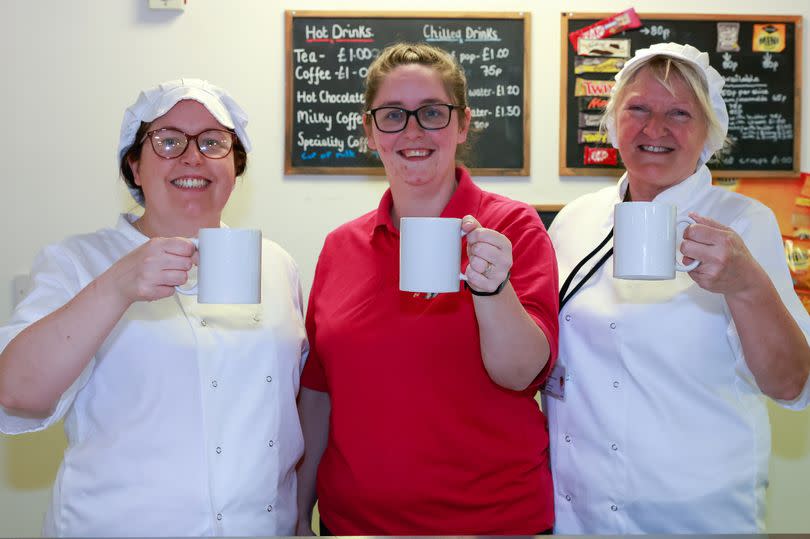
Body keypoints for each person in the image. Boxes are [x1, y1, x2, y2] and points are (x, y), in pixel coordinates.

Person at [0, 79, 308, 537]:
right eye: (167, 141)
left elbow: (291, 412)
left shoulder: (277, 264)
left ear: (235, 165)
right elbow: (17, 393)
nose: (192, 156)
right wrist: (117, 286)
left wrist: (300, 519)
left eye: (213, 142)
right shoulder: (78, 262)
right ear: (135, 167)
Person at [295, 43, 559, 536]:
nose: (413, 131)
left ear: (462, 125)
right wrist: (296, 513)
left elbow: (522, 374)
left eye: (432, 113)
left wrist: (492, 288)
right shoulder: (341, 246)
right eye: (393, 115)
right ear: (370, 131)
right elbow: (318, 392)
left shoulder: (513, 228)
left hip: (495, 523)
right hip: (354, 525)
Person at [545, 42, 810, 534]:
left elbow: (792, 384)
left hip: (695, 513)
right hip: (580, 511)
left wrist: (746, 284)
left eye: (680, 113)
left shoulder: (744, 223)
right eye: (638, 108)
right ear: (613, 121)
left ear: (709, 130)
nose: (655, 129)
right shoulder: (576, 220)